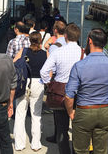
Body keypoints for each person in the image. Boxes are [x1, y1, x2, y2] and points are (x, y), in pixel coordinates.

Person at [65, 28, 108, 154]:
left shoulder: (80, 66)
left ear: (90, 41)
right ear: (104, 43)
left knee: (80, 150)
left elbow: (69, 95)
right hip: (104, 110)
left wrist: (70, 112)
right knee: (101, 150)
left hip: (84, 110)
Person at [40, 23, 84, 154]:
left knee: (61, 128)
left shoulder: (58, 52)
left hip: (60, 92)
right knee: (78, 126)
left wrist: (50, 84)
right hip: (78, 92)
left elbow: (44, 71)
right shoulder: (83, 53)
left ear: (65, 36)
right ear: (78, 37)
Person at [13, 32, 47, 151]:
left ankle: (19, 144)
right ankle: (36, 143)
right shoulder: (45, 54)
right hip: (39, 83)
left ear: (30, 40)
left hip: (24, 82)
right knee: (36, 114)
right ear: (40, 41)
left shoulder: (24, 51)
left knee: (20, 113)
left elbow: (14, 63)